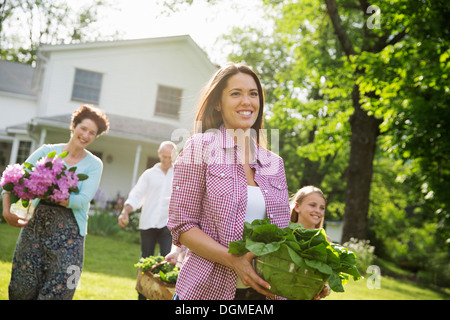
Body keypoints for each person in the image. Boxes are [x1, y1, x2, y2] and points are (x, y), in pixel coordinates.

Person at [167, 62, 291, 300]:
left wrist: (305, 280)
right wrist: (233, 261)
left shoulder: (274, 163)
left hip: (262, 294)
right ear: (217, 103)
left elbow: (282, 236)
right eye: (236, 93)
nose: (247, 101)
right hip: (205, 291)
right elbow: (182, 225)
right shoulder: (200, 147)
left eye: (253, 94)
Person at [2, 104, 109, 300]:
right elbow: (12, 178)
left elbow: (82, 200)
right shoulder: (47, 152)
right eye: (83, 128)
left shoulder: (94, 164)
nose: (86, 135)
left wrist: (47, 194)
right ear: (74, 126)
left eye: (92, 133)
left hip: (70, 235)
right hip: (34, 230)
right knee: (21, 287)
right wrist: (7, 210)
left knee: (60, 289)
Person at [118, 141, 176, 299]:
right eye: (164, 156)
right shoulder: (149, 174)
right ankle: (142, 295)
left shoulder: (177, 174)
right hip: (148, 223)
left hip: (168, 225)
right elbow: (137, 195)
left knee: (167, 261)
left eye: (170, 157)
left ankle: (163, 295)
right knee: (145, 260)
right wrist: (125, 211)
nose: (167, 160)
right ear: (159, 154)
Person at [290, 185, 330, 299]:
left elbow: (328, 278)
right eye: (312, 205)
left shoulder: (325, 241)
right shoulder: (285, 234)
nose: (318, 211)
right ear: (297, 207)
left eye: (322, 208)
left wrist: (326, 289)